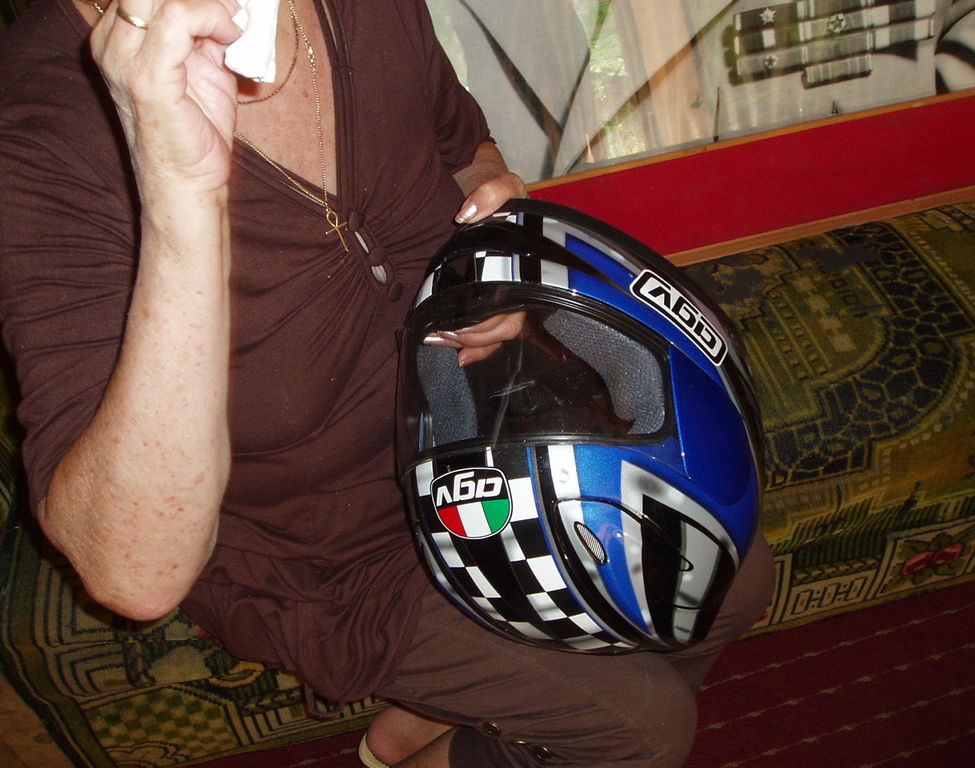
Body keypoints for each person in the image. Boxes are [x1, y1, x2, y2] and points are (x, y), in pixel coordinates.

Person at [0, 0, 775, 765]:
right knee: (640, 729)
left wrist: (499, 238)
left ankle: (439, 713)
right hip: (319, 547)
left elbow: (466, 147)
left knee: (726, 582)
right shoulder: (41, 125)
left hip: (483, 435)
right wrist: (181, 194)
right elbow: (130, 573)